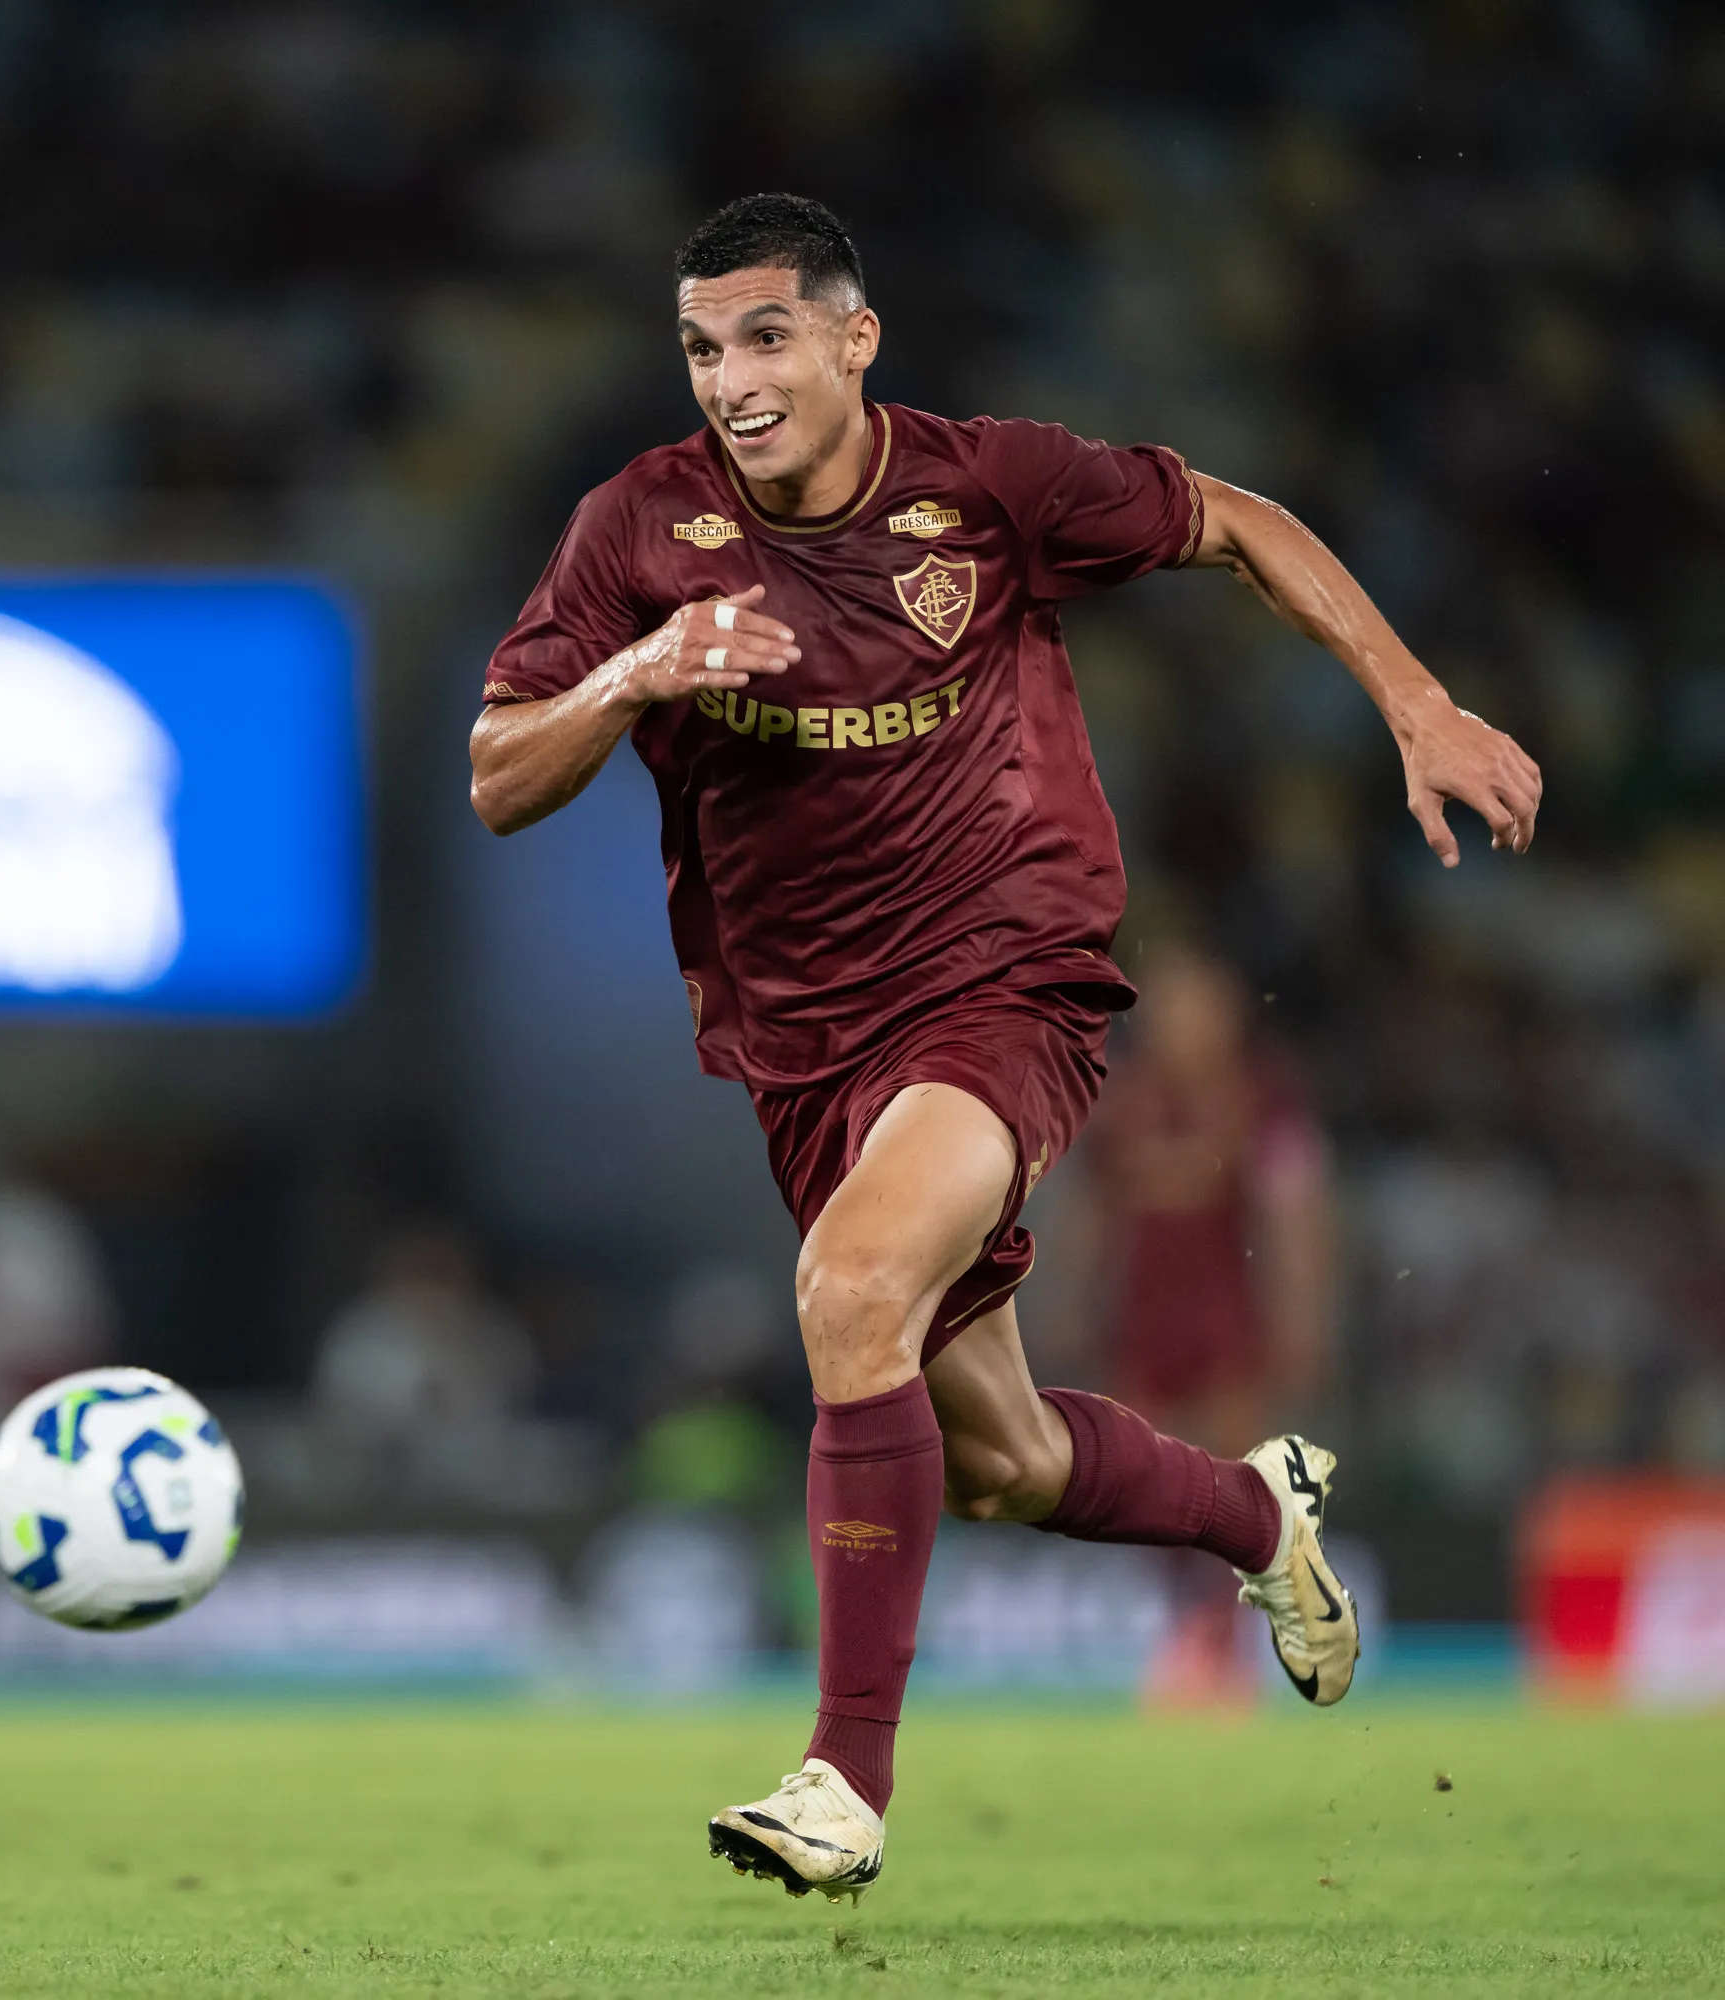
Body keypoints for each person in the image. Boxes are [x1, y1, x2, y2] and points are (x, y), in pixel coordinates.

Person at [468, 194, 1541, 1900]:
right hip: (806, 1052)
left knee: (849, 1291)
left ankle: (843, 1779)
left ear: (853, 340)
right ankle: (1262, 1521)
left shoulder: (989, 488)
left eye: (765, 337)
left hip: (1003, 983)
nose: (732, 381)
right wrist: (638, 673)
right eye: (701, 348)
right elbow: (498, 774)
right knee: (1003, 1461)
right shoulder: (639, 528)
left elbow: (1241, 522)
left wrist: (1417, 701)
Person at [1084, 944, 1337, 1704]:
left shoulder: (1264, 1100)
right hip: (1144, 1319)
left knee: (1236, 1481)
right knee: (1141, 1486)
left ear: (1228, 1019)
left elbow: (1296, 1213)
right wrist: (1069, 1301)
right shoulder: (1121, 1099)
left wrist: (1304, 1314)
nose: (1186, 1025)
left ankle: (1224, 1646)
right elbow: (1094, 1213)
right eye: (1173, 1010)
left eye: (1201, 1010)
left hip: (1228, 1318)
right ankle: (1181, 1631)